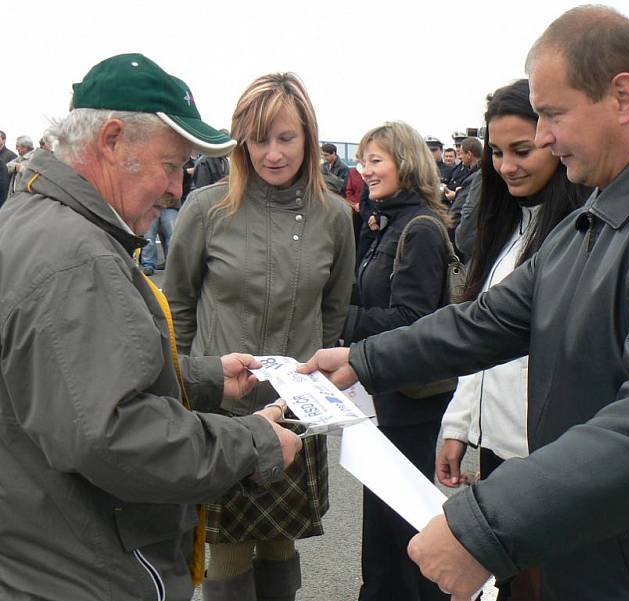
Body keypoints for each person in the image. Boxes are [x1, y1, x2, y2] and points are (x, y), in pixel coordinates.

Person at [300, 6, 629, 600]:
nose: (540, 137)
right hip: (610, 560)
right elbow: (488, 320)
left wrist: (480, 527)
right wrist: (364, 359)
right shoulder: (595, 219)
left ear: (622, 97)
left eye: (552, 114)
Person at [0, 52, 301, 601]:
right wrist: (252, 441)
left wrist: (201, 378)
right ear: (112, 140)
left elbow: (67, 380)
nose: (177, 190)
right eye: (171, 164)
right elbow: (114, 437)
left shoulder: (37, 223)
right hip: (84, 571)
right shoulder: (77, 260)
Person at [163, 72, 355, 601]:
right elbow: (176, 305)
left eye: (285, 138)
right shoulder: (206, 208)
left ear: (309, 139)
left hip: (295, 408)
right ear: (241, 142)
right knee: (223, 548)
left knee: (278, 545)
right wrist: (184, 384)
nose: (272, 153)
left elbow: (334, 309)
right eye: (258, 139)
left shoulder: (336, 216)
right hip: (219, 410)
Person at [437, 78, 590, 600]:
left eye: (521, 150)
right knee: (512, 586)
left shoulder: (582, 233)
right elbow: (480, 338)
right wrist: (460, 423)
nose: (506, 166)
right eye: (497, 152)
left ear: (554, 136)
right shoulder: (507, 228)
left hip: (549, 461)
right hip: (501, 451)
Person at [343, 121, 453, 601]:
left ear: (405, 163)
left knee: (404, 526)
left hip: (410, 398)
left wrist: (340, 319)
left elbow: (412, 318)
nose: (365, 170)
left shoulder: (421, 228)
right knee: (382, 523)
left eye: (376, 160)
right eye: (364, 160)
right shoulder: (383, 221)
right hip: (384, 389)